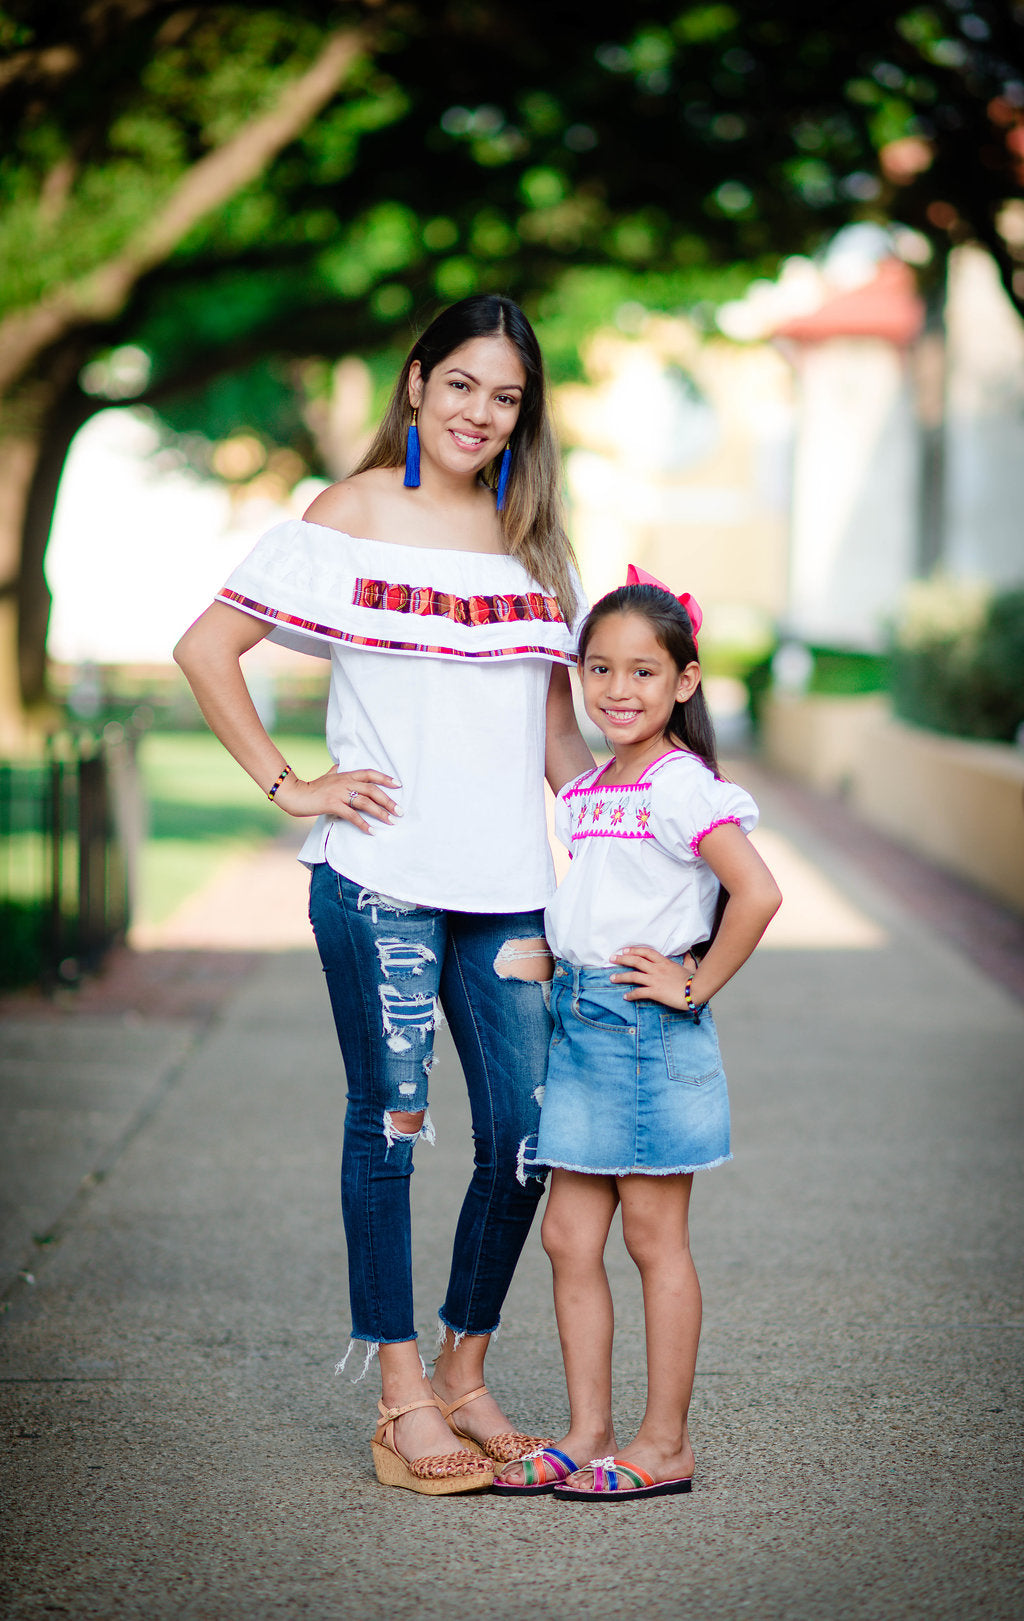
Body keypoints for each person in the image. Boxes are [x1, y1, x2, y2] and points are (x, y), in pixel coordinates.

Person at [173, 294, 593, 1495]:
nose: (480, 411)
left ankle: (466, 1371)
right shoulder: (348, 515)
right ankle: (401, 1392)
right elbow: (207, 648)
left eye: (505, 395)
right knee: (393, 1128)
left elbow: (558, 750)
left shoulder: (531, 539)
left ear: (525, 414)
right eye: (460, 383)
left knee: (523, 1140)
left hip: (511, 891)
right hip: (381, 886)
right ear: (414, 385)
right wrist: (288, 783)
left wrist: (663, 790)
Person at [492, 569, 782, 1501]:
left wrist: (693, 982)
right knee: (570, 1238)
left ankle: (665, 1445)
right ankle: (588, 1430)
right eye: (598, 669)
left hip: (646, 1035)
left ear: (685, 683)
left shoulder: (679, 784)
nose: (618, 690)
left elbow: (760, 890)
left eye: (644, 673)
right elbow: (555, 738)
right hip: (578, 1029)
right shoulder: (593, 789)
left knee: (655, 1240)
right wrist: (534, 630)